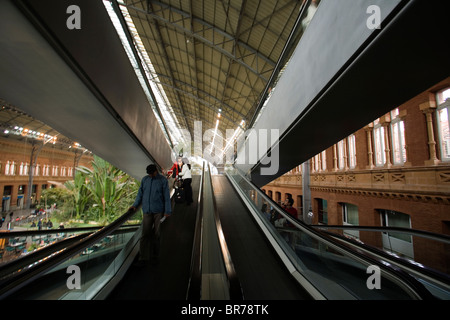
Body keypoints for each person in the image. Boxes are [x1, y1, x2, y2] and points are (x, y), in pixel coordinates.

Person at [130, 164, 172, 265]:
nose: (150, 175)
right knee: (145, 234)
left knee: (157, 234)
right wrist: (135, 205)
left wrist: (167, 211)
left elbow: (166, 196)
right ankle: (143, 257)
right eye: (148, 174)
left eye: (151, 173)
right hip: (147, 211)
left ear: (155, 171)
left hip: (159, 212)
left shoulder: (162, 180)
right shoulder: (145, 180)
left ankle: (155, 255)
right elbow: (140, 194)